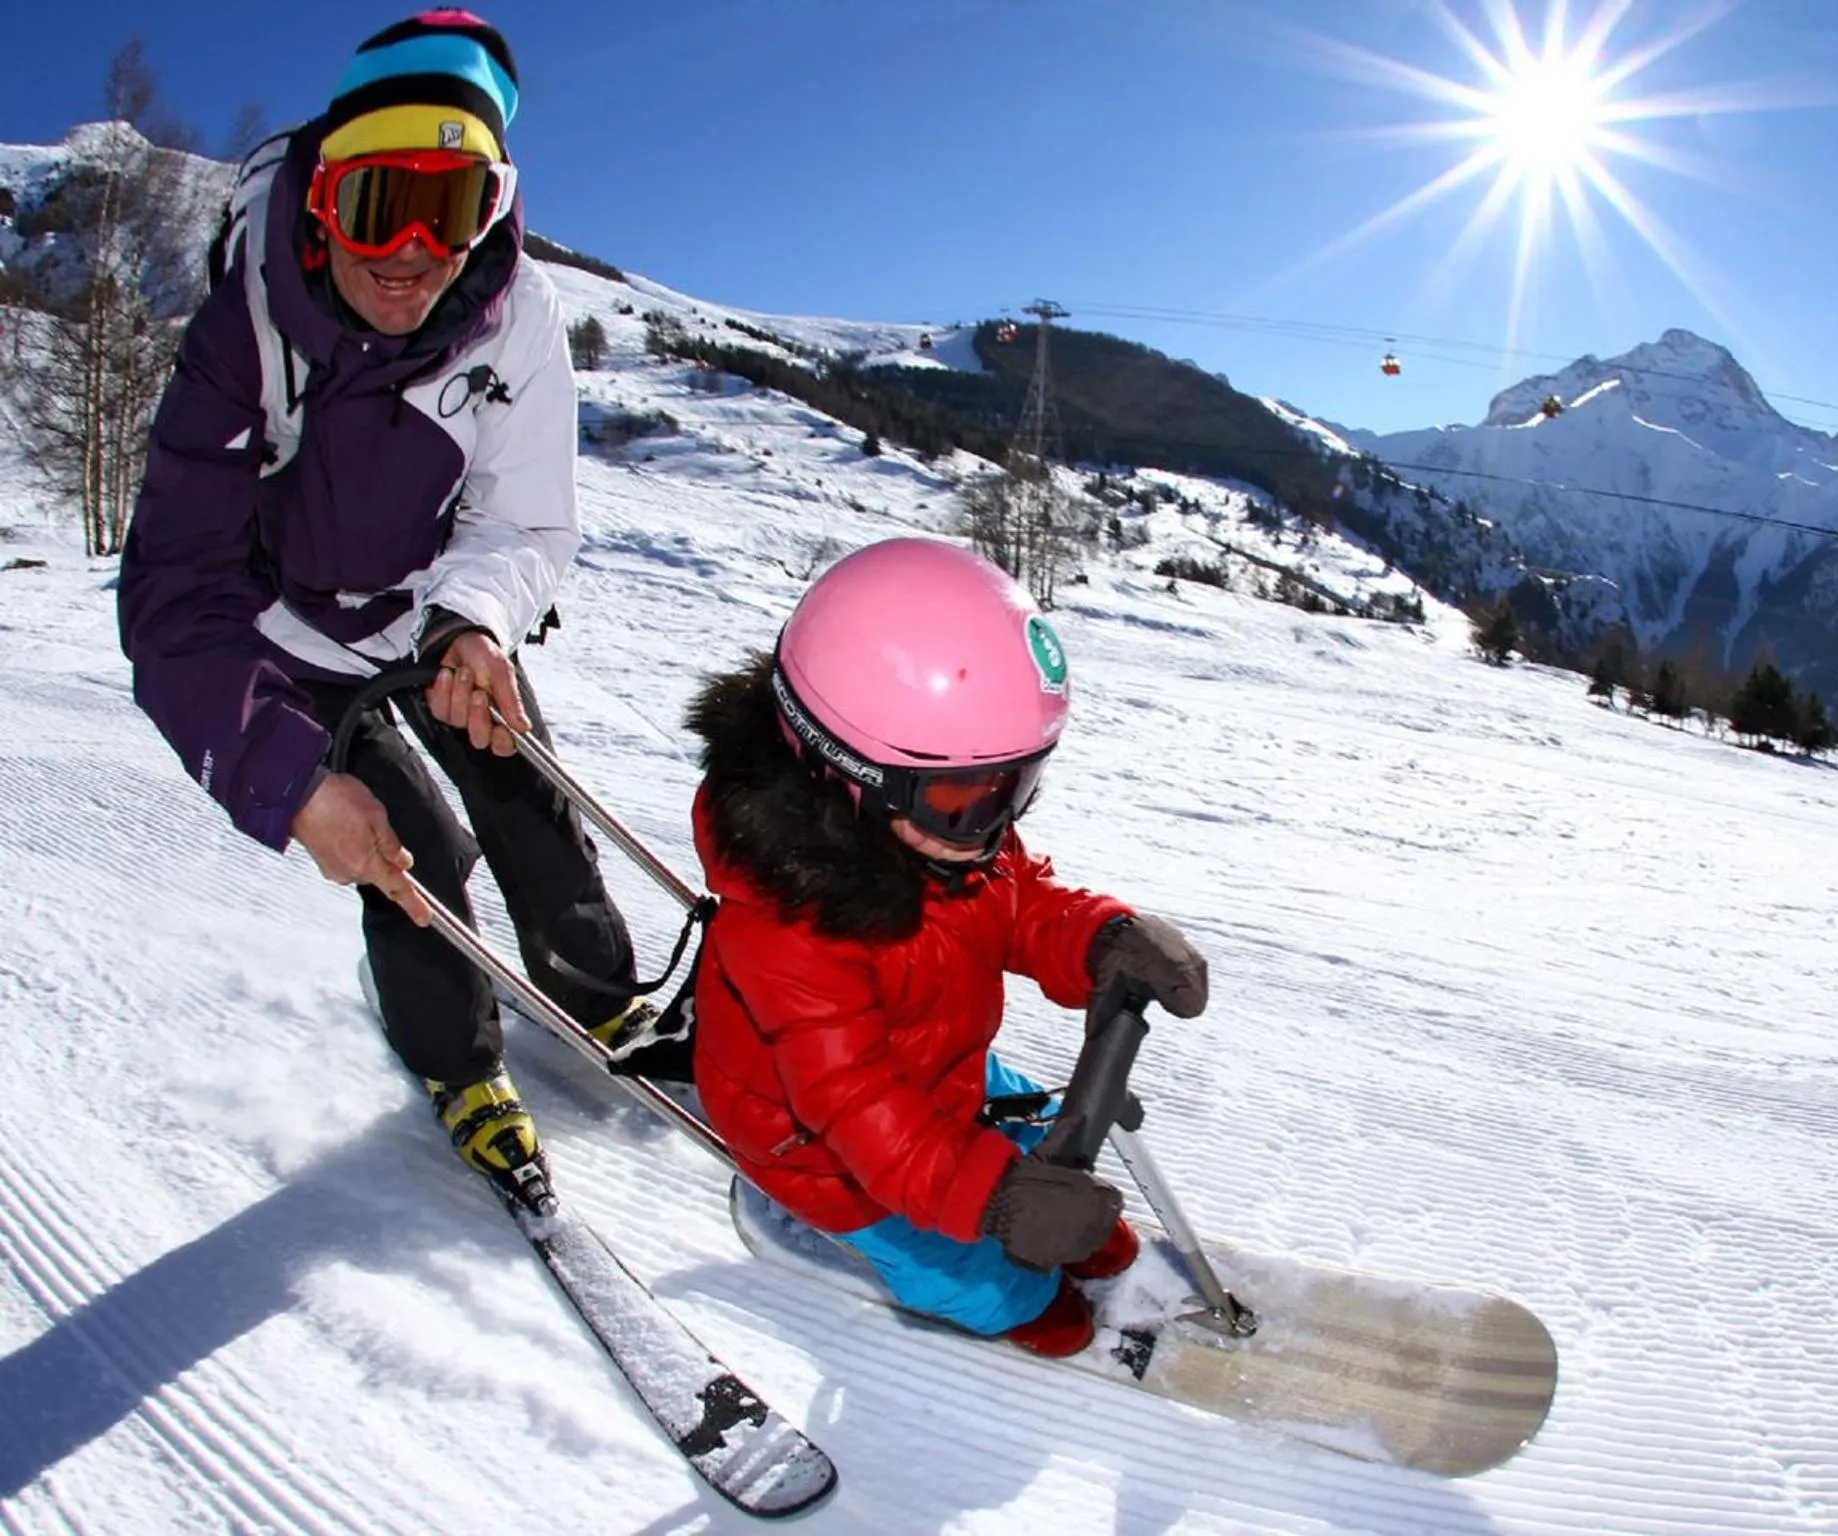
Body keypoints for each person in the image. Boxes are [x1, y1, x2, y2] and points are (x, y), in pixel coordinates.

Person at [117, 10, 637, 1210]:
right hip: (281, 639)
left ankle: (601, 995)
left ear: (493, 211)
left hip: (426, 615)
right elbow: (174, 593)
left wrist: (474, 624)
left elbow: (526, 520)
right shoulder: (239, 331)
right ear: (319, 201)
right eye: (373, 207)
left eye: (447, 210)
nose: (409, 253)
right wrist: (291, 786)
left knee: (528, 800)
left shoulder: (515, 316)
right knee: (409, 858)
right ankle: (457, 1065)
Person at [684, 538, 1210, 1357]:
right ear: (843, 772)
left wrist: (1103, 937)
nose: (995, 825)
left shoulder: (935, 833)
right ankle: (993, 1293)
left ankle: (1022, 1203)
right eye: (968, 799)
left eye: (1016, 786)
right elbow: (855, 1105)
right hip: (820, 1143)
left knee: (1049, 1149)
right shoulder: (791, 930)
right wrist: (996, 1202)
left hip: (938, 1063)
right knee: (993, 1281)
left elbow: (1022, 900)